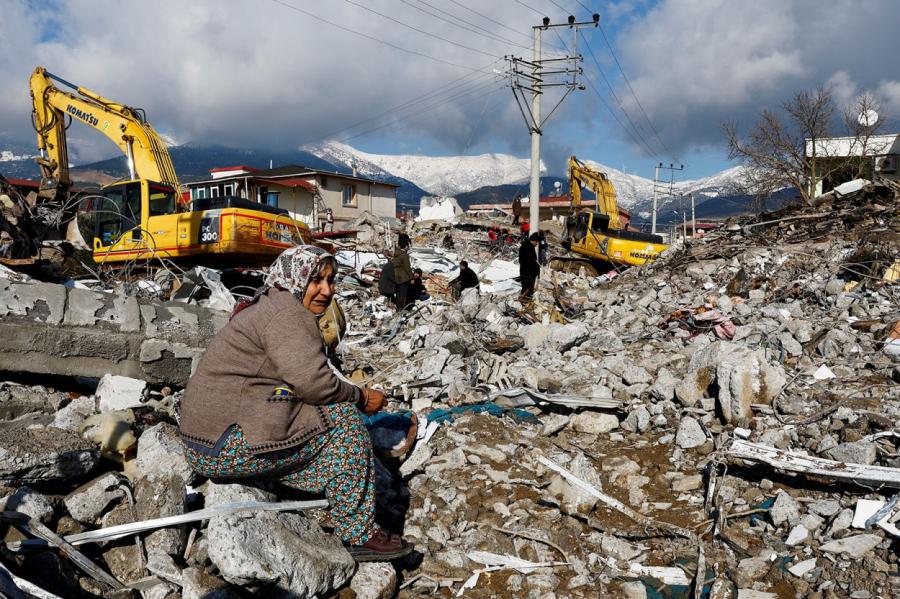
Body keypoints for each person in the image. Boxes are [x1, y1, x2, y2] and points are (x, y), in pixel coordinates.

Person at [179, 246, 413, 561]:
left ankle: (315, 483)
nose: (327, 290)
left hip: (206, 439)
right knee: (343, 419)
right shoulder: (288, 315)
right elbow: (316, 385)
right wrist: (361, 397)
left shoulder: (272, 302)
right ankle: (358, 532)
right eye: (316, 280)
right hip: (221, 446)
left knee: (305, 412)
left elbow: (298, 379)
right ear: (297, 278)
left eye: (331, 280)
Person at [392, 233, 413, 309]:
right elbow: (408, 268)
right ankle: (401, 309)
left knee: (398, 293)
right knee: (403, 295)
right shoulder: (405, 256)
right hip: (404, 278)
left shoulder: (396, 254)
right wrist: (412, 278)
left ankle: (398, 308)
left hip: (397, 277)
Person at [519, 232, 541, 301]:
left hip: (523, 271)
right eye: (537, 242)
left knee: (524, 288)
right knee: (528, 290)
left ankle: (523, 301)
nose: (537, 244)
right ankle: (525, 302)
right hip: (530, 273)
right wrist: (537, 271)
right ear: (534, 240)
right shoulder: (530, 248)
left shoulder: (524, 246)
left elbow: (521, 260)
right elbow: (532, 261)